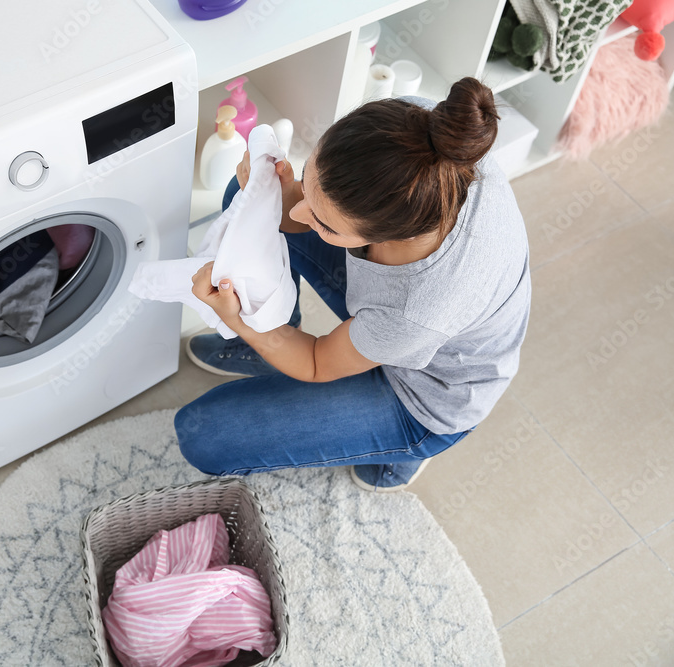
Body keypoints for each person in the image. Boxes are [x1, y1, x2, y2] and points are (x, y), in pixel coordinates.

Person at [174, 77, 531, 492]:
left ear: (387, 233)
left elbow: (316, 362)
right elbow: (302, 211)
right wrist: (283, 190)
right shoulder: (419, 134)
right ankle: (270, 336)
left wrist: (240, 322)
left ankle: (397, 454)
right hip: (398, 317)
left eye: (324, 223)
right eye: (310, 180)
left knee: (203, 437)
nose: (302, 212)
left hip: (423, 396)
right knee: (248, 193)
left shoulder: (415, 310)